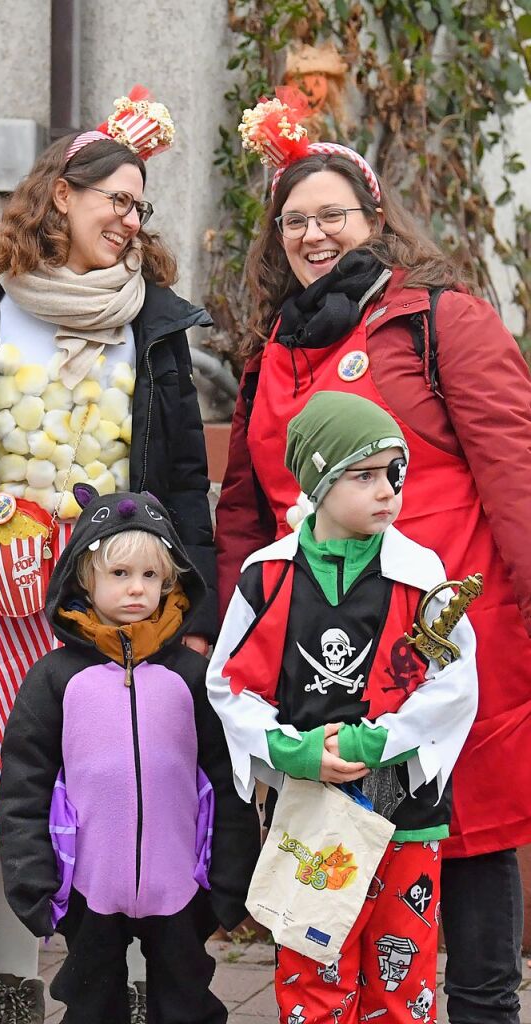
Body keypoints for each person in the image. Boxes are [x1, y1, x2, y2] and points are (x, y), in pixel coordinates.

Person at [215, 90, 531, 1024]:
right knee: (335, 844)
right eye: (293, 221)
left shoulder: (442, 320)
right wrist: (229, 636)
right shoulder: (272, 349)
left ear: (374, 219)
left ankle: (479, 1009)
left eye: (331, 215)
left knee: (464, 836)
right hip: (320, 655)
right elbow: (246, 507)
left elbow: (514, 471)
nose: (312, 235)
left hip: (444, 635)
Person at [0, 87, 217, 1022]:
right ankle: (12, 990)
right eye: (114, 198)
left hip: (115, 609)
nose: (129, 218)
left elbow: (187, 482)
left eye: (139, 205)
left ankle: (102, 982)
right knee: (1, 800)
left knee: (118, 790)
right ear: (60, 198)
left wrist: (189, 615)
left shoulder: (150, 322)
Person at [209, 391, 479, 1022]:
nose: (387, 491)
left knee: (400, 974)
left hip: (404, 815)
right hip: (309, 812)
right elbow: (229, 683)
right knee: (313, 974)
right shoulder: (267, 575)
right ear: (318, 479)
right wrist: (291, 750)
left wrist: (373, 742)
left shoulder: (419, 573)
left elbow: (455, 683)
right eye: (364, 475)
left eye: (394, 474)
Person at [0, 484, 259, 1023]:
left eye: (150, 576)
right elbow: (24, 785)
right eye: (119, 575)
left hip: (180, 884)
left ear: (170, 581)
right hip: (90, 886)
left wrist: (230, 880)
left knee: (187, 1002)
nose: (137, 589)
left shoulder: (194, 678)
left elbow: (228, 778)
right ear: (84, 580)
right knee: (92, 1002)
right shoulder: (54, 679)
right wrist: (33, 880)